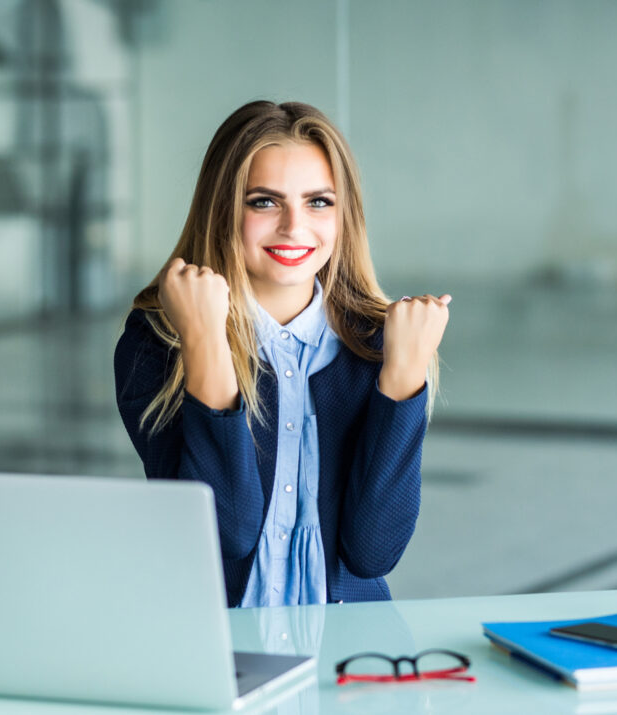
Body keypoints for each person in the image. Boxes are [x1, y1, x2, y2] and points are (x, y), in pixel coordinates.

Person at [114, 100, 450, 607]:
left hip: (349, 655)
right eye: (264, 202)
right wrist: (206, 339)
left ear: (344, 214)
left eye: (318, 202)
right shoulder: (159, 343)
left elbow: (373, 552)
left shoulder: (378, 343)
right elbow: (226, 533)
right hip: (216, 649)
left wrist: (402, 375)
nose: (295, 226)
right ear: (223, 208)